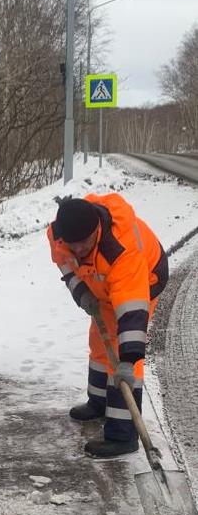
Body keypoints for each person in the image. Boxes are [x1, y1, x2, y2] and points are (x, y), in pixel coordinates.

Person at [48, 193, 168, 459]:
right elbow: (65, 263)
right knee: (99, 342)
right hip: (100, 283)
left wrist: (129, 357)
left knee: (120, 348)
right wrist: (81, 291)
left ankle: (123, 435)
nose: (78, 250)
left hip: (144, 279)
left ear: (97, 231)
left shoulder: (121, 250)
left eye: (84, 243)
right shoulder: (59, 233)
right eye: (72, 244)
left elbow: (132, 312)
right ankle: (99, 402)